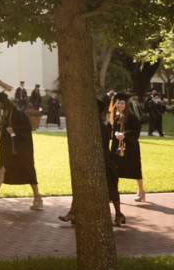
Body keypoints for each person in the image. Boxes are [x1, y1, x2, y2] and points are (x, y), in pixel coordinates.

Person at [59, 98, 123, 226]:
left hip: (102, 160)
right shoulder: (98, 126)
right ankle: (74, 212)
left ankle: (118, 214)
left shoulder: (95, 127)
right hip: (104, 159)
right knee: (102, 187)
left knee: (109, 188)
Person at [0, 92, 43, 210]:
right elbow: (1, 131)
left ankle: (38, 199)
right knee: (1, 169)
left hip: (20, 150)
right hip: (8, 149)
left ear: (3, 102)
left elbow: (26, 129)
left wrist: (13, 131)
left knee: (28, 171)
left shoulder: (18, 114)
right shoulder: (5, 114)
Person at [108, 93, 146, 203]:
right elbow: (111, 129)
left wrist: (124, 134)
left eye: (122, 103)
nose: (120, 105)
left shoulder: (132, 117)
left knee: (135, 169)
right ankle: (113, 193)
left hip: (130, 148)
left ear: (126, 104)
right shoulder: (114, 116)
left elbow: (136, 131)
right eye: (118, 103)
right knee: (114, 170)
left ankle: (141, 191)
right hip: (117, 147)